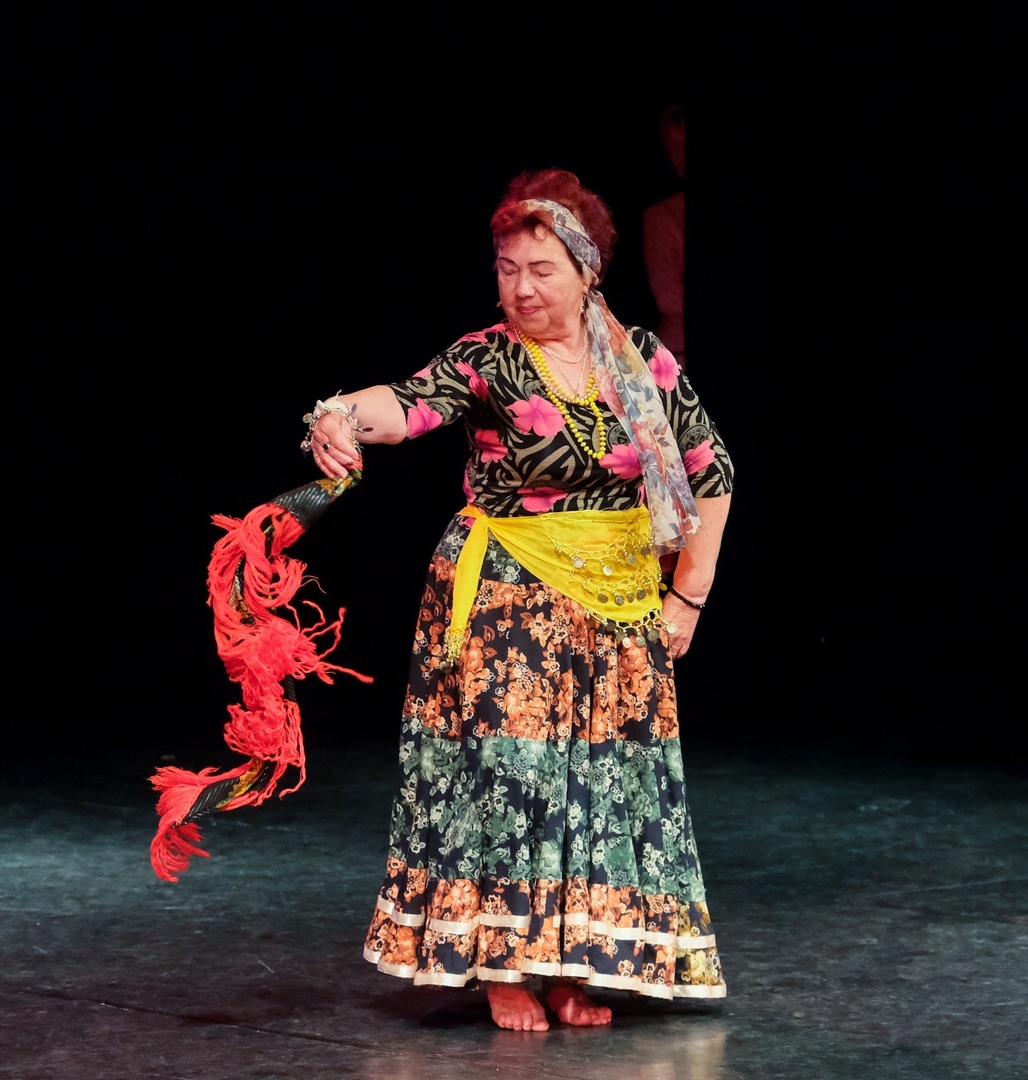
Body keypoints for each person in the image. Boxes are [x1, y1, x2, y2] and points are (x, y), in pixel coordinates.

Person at [301, 168, 734, 1031]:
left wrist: (687, 596)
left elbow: (711, 472)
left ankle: (573, 967)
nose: (522, 287)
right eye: (507, 269)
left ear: (586, 269)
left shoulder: (641, 361)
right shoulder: (487, 358)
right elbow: (409, 405)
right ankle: (503, 965)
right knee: (512, 778)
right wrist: (341, 415)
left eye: (541, 269)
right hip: (509, 600)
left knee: (600, 785)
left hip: (618, 608)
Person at [642, 103, 688, 370]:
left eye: (687, 145)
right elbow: (668, 298)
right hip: (682, 348)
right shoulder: (661, 215)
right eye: (673, 147)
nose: (681, 156)